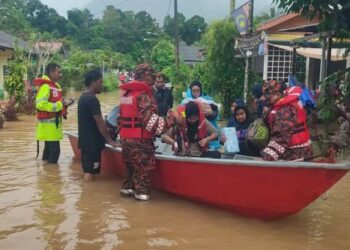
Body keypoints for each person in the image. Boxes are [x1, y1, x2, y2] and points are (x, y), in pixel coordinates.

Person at [118, 63, 178, 201]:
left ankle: (126, 209)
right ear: (145, 76)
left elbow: (119, 120)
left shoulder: (126, 94)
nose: (153, 78)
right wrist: (172, 119)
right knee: (142, 185)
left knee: (128, 180)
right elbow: (152, 124)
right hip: (140, 143)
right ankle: (141, 217)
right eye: (152, 75)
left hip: (126, 142)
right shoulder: (143, 95)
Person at [78, 69, 118, 181]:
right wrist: (110, 141)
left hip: (85, 141)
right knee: (90, 172)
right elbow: (100, 122)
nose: (102, 85)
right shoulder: (92, 100)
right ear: (92, 83)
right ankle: (88, 195)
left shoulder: (83, 97)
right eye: (100, 82)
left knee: (89, 170)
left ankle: (89, 196)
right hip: (92, 143)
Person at [34, 63, 74, 163]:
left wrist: (66, 103)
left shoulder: (55, 86)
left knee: (48, 153)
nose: (61, 74)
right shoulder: (46, 87)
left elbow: (55, 102)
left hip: (52, 127)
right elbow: (40, 104)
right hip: (49, 128)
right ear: (51, 72)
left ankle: (46, 174)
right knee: (55, 153)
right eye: (58, 72)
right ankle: (51, 177)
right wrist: (60, 105)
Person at [261, 86, 312, 161]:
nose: (267, 97)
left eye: (271, 94)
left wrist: (267, 156)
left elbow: (281, 137)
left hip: (295, 154)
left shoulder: (285, 110)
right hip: (304, 151)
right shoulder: (291, 105)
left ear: (279, 94)